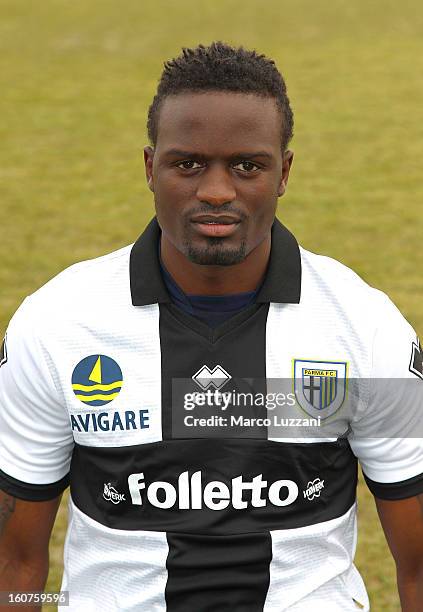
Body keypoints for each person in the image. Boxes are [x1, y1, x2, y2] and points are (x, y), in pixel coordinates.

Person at [0, 41, 422, 612]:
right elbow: (14, 566)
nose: (216, 192)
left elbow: (418, 566)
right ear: (151, 168)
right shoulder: (55, 327)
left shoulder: (367, 330)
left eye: (247, 166)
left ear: (284, 172)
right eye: (188, 164)